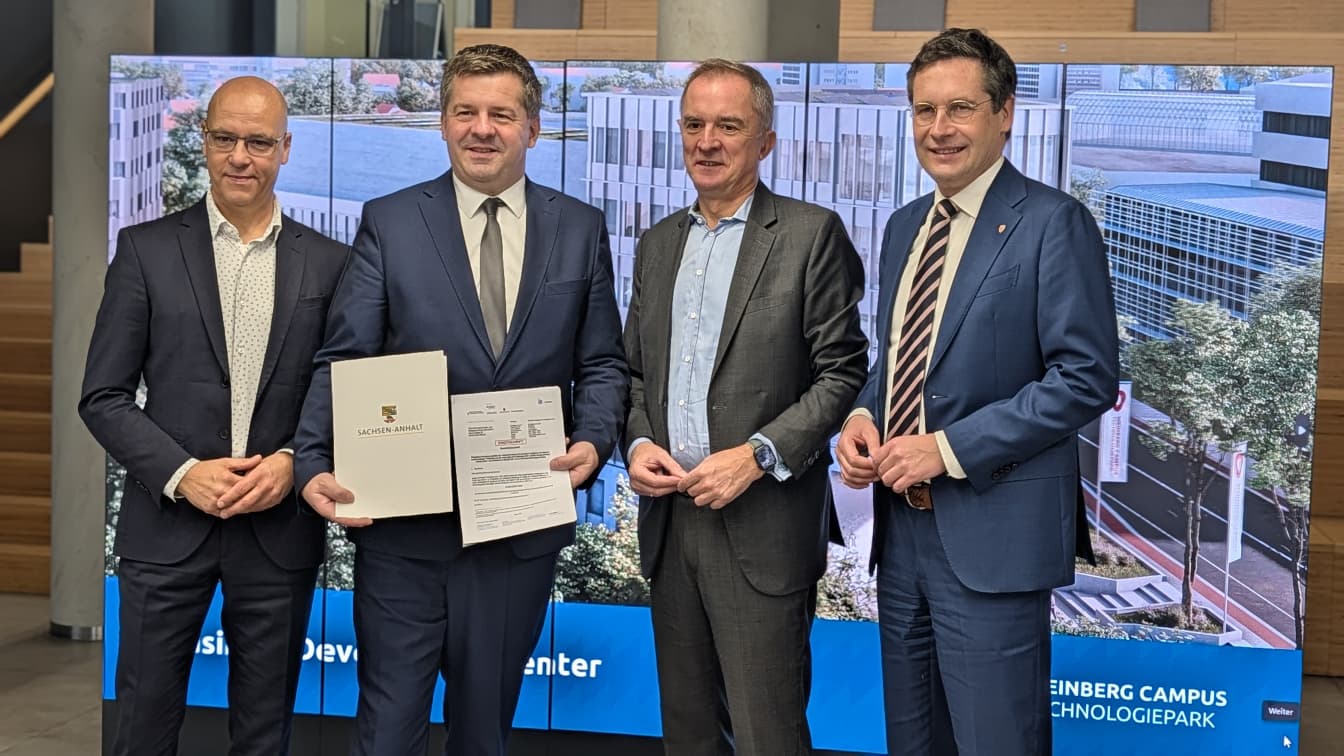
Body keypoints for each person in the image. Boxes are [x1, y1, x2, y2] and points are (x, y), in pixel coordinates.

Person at [291, 43, 628, 756]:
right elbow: (345, 357)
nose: (482, 129)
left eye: (501, 114)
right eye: (465, 112)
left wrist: (595, 441)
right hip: (403, 533)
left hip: (517, 533)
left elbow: (602, 364)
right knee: (388, 734)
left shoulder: (579, 228)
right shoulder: (390, 221)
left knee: (483, 735)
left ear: (532, 127)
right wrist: (312, 460)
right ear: (443, 123)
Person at [835, 28, 1120, 756]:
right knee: (913, 742)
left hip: (993, 538)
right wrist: (864, 411)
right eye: (924, 110)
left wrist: (947, 449)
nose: (939, 129)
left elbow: (1085, 377)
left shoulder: (1053, 223)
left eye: (959, 108)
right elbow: (901, 357)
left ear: (1005, 113)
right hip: (901, 538)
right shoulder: (905, 226)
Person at [79, 76, 348, 756]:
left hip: (278, 531)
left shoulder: (330, 263)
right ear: (203, 141)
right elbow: (103, 396)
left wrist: (294, 463)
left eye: (258, 142)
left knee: (264, 735)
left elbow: (343, 390)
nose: (240, 157)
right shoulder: (144, 250)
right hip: (165, 528)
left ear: (285, 148)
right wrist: (182, 473)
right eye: (225, 138)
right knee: (142, 728)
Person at [624, 59, 869, 756]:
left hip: (762, 528)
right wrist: (638, 445)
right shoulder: (657, 244)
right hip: (671, 523)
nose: (707, 141)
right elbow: (633, 372)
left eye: (728, 126)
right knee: (689, 735)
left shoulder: (810, 235)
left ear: (765, 141)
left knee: (768, 737)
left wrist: (759, 456)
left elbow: (843, 370)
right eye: (694, 124)